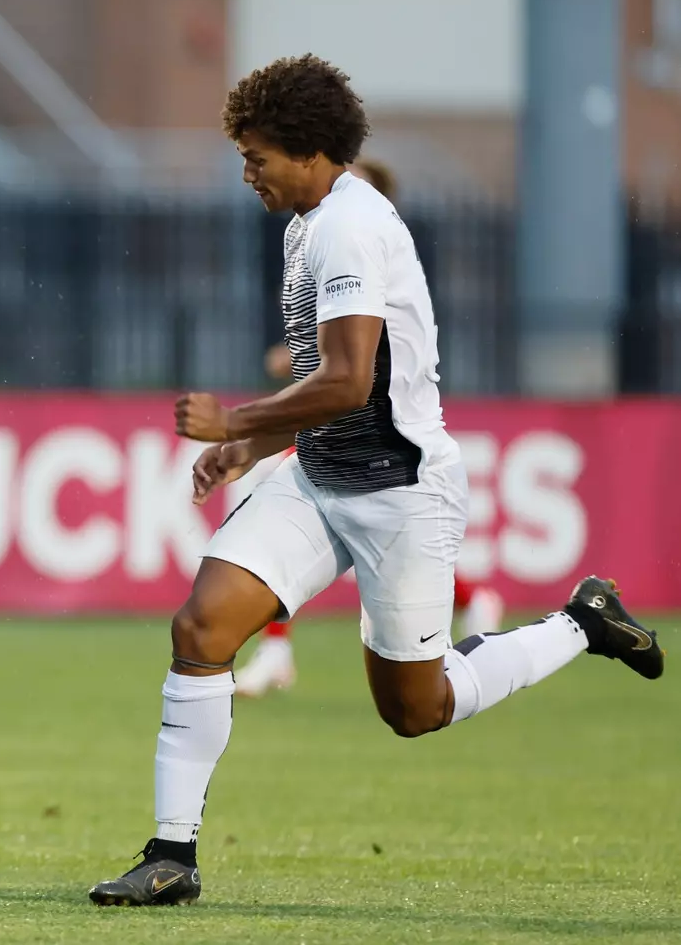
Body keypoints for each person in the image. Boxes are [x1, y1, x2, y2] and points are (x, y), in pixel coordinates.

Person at [88, 55, 664, 908]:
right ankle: (171, 855)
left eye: (258, 157)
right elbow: (334, 385)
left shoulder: (351, 228)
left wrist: (236, 423)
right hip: (321, 477)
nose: (247, 173)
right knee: (201, 627)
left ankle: (582, 622)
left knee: (415, 709)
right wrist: (255, 448)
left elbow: (353, 381)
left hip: (400, 494)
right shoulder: (307, 221)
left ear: (311, 151)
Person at [236, 158, 503, 697]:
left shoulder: (370, 248)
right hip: (332, 432)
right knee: (285, 533)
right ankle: (275, 650)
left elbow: (359, 360)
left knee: (414, 699)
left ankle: (500, 608)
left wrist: (245, 419)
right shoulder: (320, 241)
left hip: (376, 438)